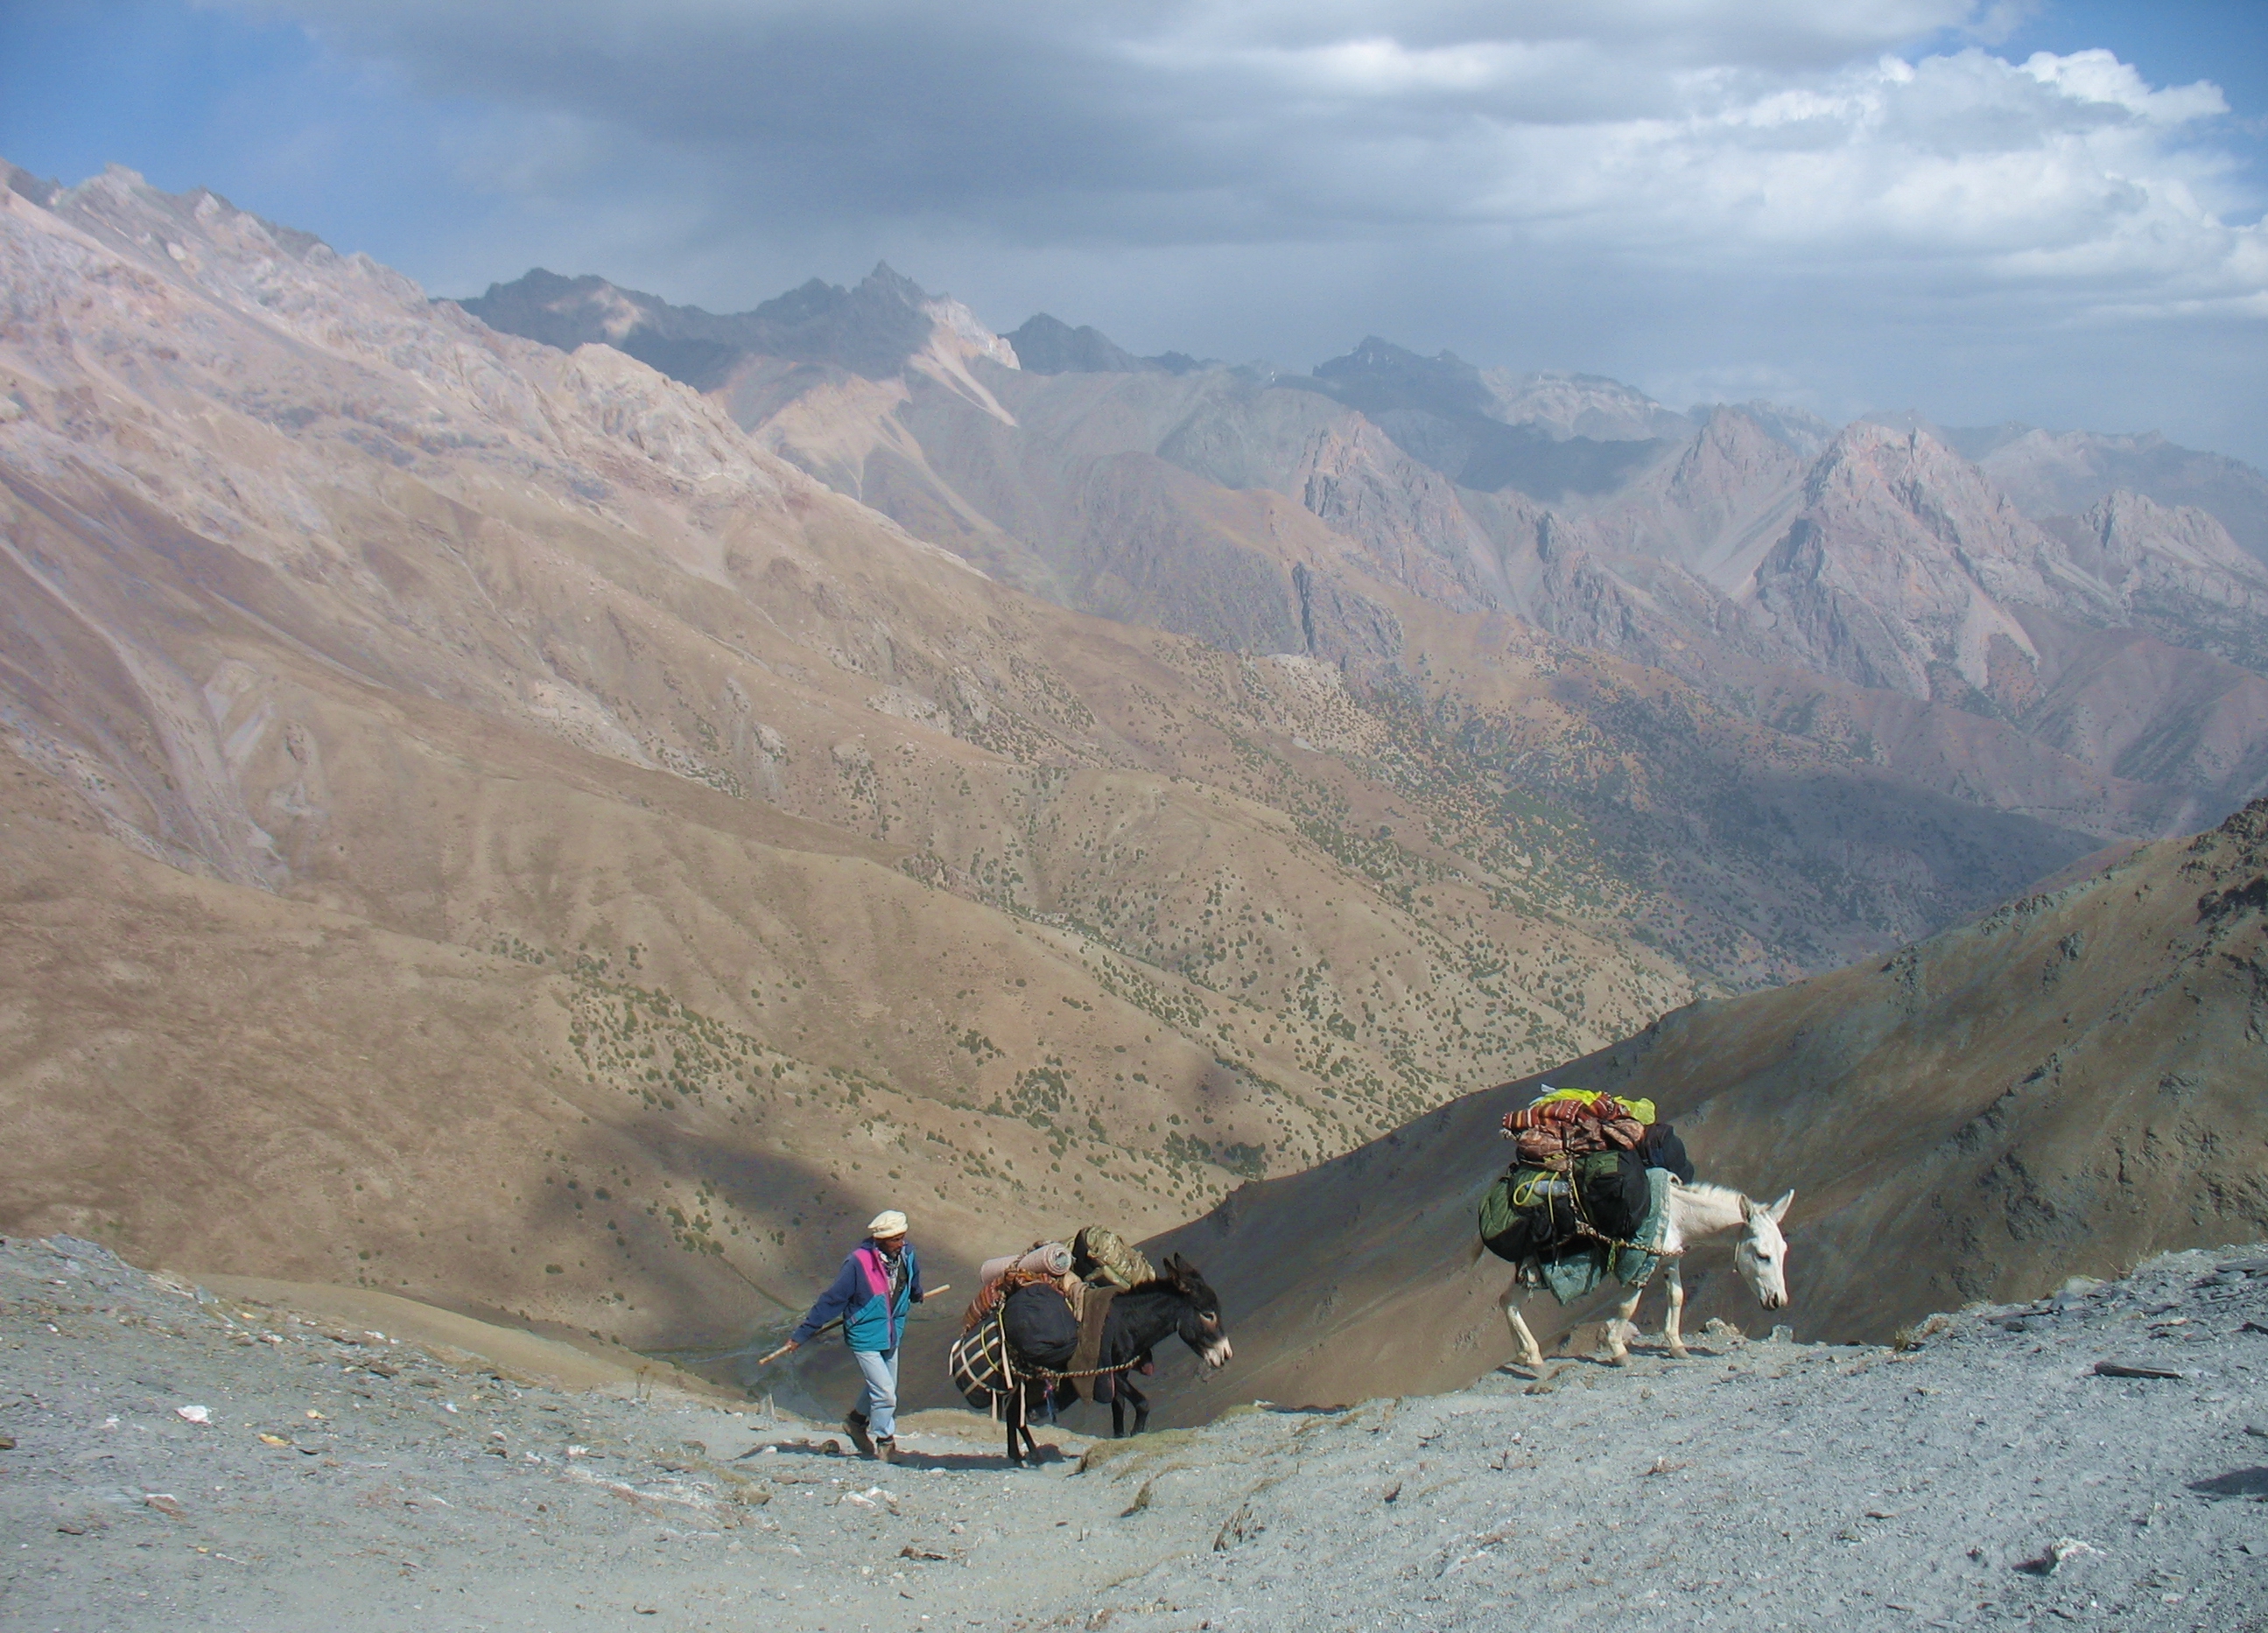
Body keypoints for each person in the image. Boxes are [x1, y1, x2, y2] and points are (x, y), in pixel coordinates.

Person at [783, 1209, 923, 1462]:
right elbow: (832, 1300)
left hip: (892, 1332)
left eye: (902, 1237)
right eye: (895, 1239)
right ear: (881, 1239)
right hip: (865, 1335)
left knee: (882, 1387)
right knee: (885, 1393)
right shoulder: (858, 1263)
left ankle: (855, 1422)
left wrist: (916, 1293)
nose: (901, 1243)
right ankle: (885, 1442)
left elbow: (911, 1279)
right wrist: (802, 1334)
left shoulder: (907, 1254)